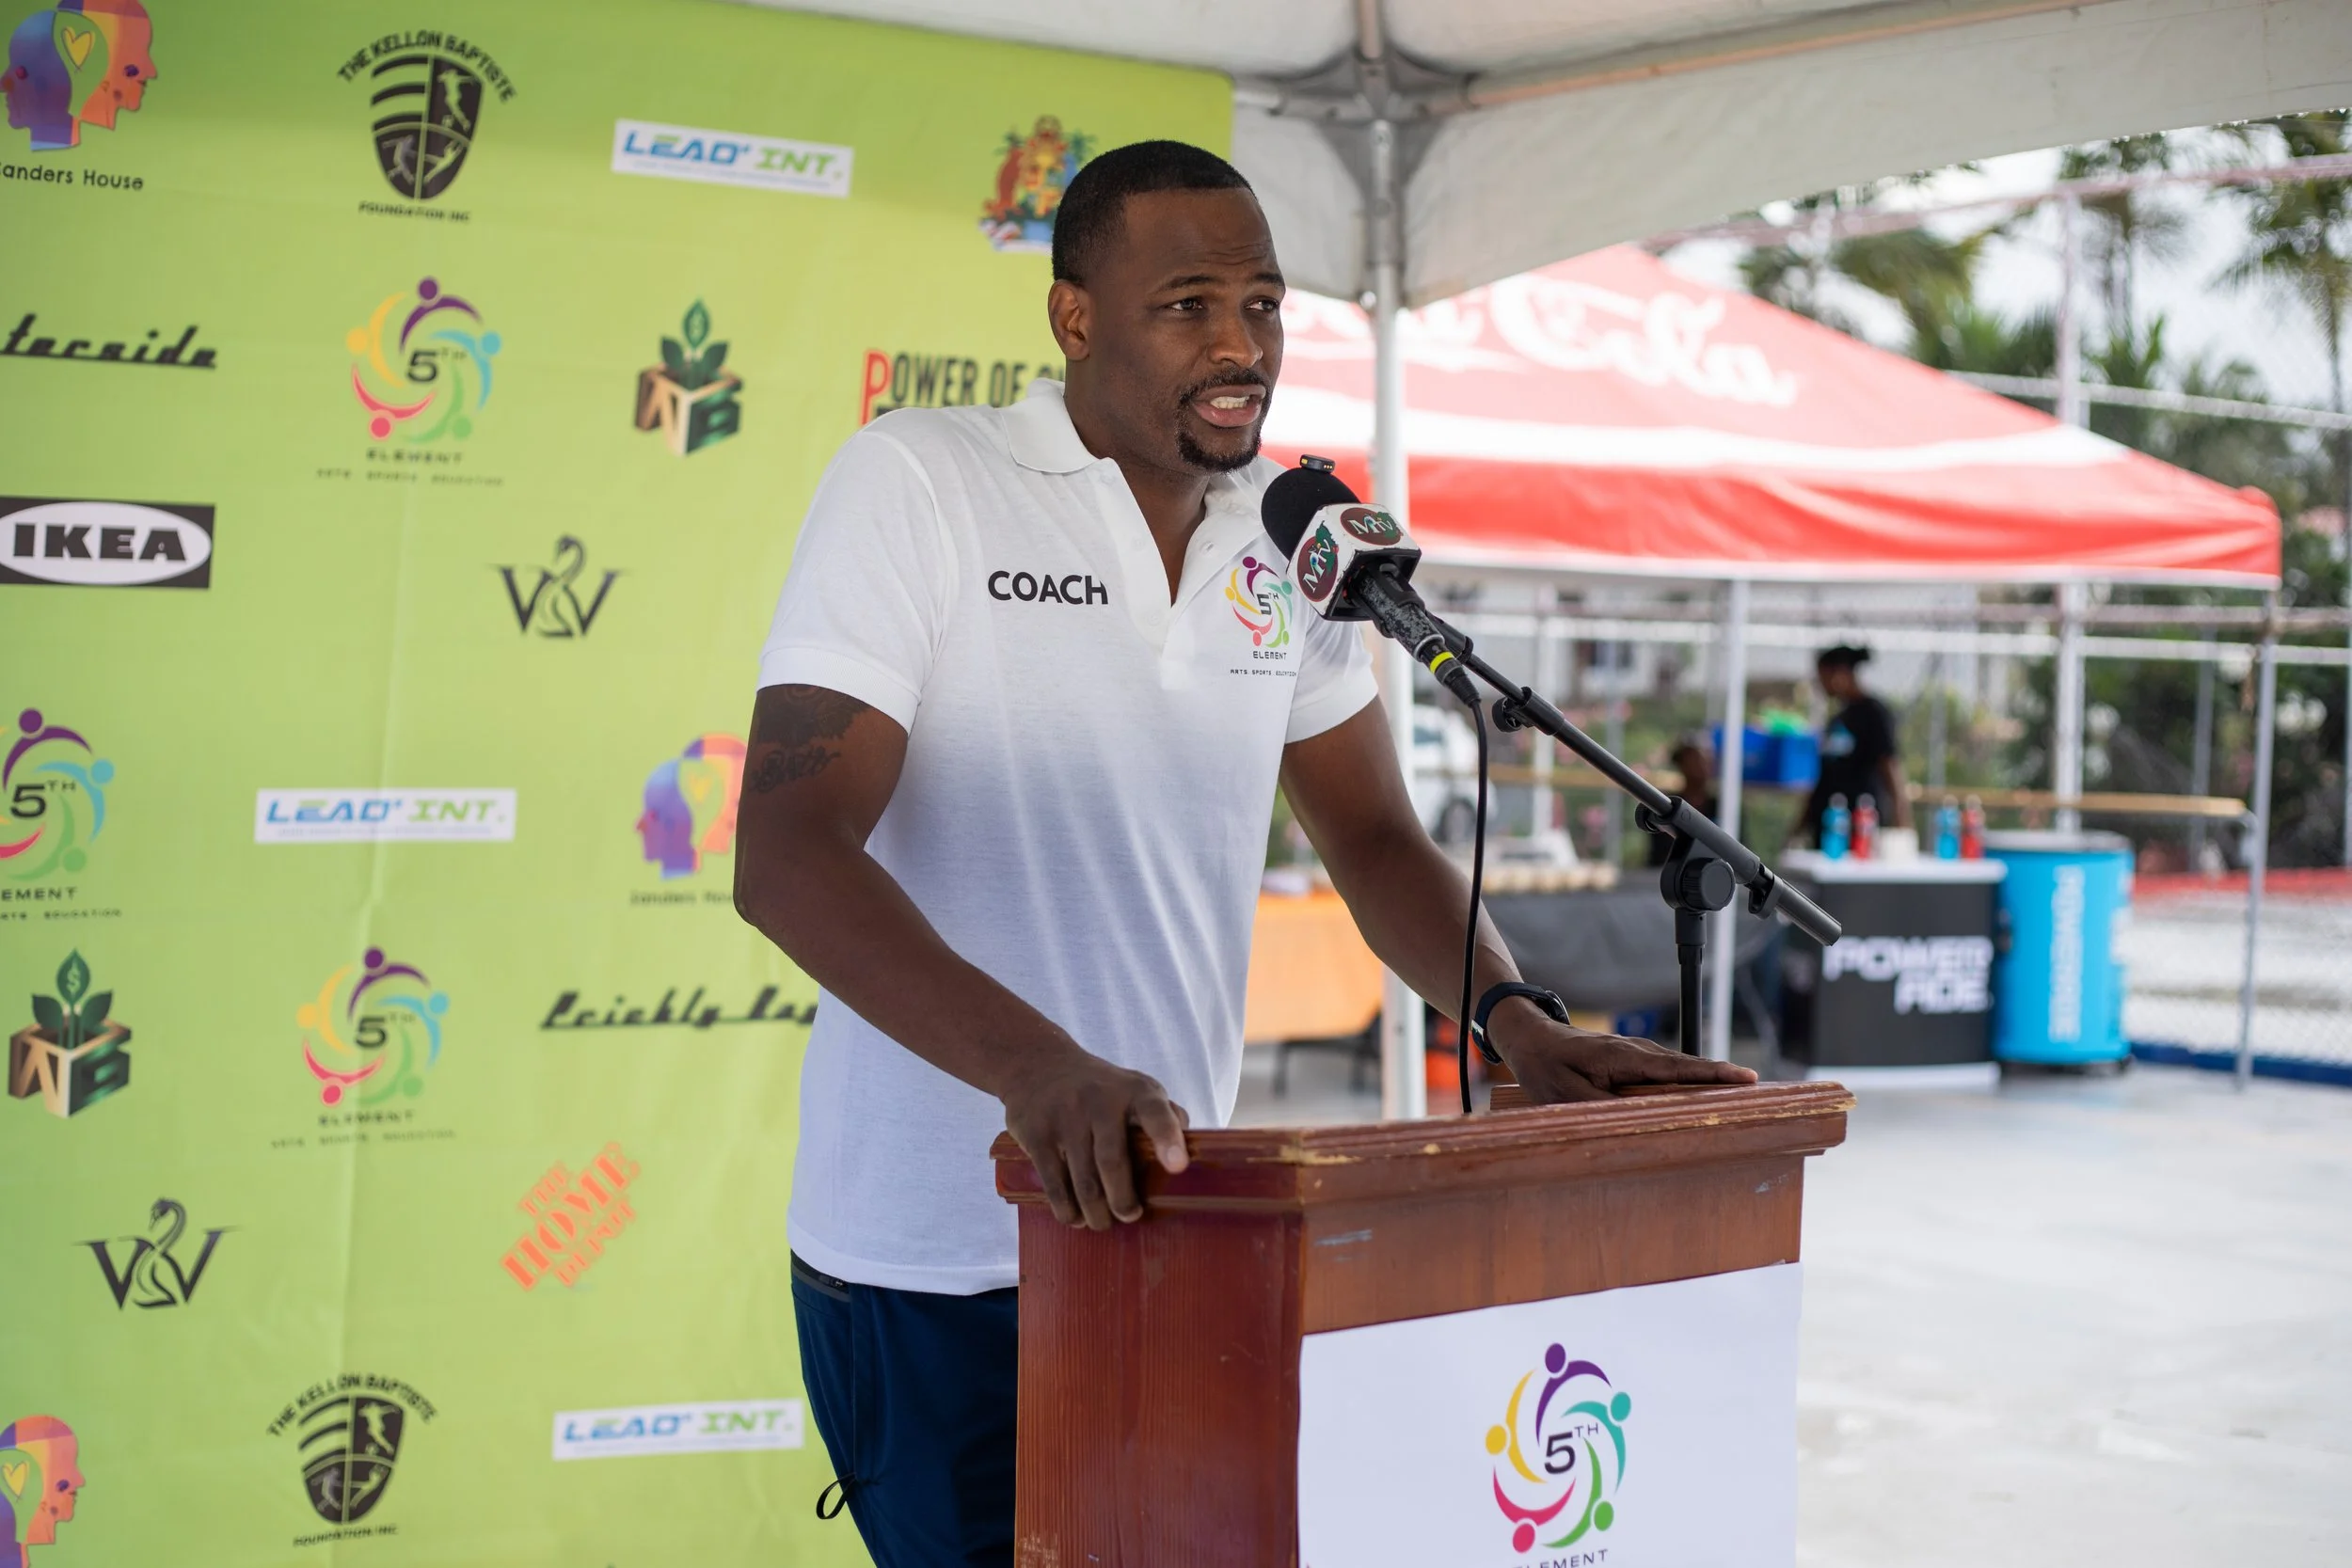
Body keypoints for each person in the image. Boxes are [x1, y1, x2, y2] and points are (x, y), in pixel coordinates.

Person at [731, 139, 1754, 1568]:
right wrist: (1041, 1069)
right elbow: (786, 852)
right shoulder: (922, 480)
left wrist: (1514, 1016)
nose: (1238, 346)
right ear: (1074, 317)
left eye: (1264, 306)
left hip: (1184, 1213)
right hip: (936, 1254)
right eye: (1189, 304)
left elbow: (1378, 835)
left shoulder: (1294, 534)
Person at [1799, 644, 1909, 846]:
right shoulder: (1837, 720)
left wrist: (1903, 825)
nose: (1820, 683)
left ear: (1839, 674)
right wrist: (1798, 830)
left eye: (1822, 676)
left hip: (1860, 831)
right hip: (1828, 830)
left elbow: (1890, 768)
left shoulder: (1874, 713)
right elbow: (1823, 781)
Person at [1647, 732, 1718, 866]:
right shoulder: (1667, 807)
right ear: (1681, 765)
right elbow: (1659, 853)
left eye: (1705, 761)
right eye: (1695, 760)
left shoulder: (1722, 807)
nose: (1701, 767)